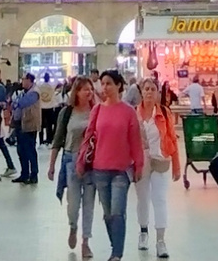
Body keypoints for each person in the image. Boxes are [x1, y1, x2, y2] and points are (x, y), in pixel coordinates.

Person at [78, 71, 146, 261]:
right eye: (102, 84)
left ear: (118, 86)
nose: (104, 88)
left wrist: (139, 164)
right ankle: (114, 245)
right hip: (100, 168)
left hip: (121, 170)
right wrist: (81, 161)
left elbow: (135, 141)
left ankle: (117, 254)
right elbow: (88, 137)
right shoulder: (97, 110)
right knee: (108, 214)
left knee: (117, 212)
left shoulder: (128, 111)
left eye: (108, 83)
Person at [132, 79, 180, 259]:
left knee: (159, 199)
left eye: (153, 89)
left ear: (158, 92)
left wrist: (176, 166)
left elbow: (173, 139)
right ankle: (143, 232)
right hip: (140, 162)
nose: (149, 92)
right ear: (141, 92)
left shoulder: (164, 113)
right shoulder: (134, 114)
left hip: (161, 160)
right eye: (146, 89)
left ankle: (161, 240)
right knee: (142, 199)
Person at [51, 76, 98, 257]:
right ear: (76, 92)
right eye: (84, 89)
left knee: (88, 204)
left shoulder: (96, 111)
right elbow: (58, 139)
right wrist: (52, 165)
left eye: (90, 89)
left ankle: (86, 240)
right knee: (73, 204)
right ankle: (73, 226)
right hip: (71, 160)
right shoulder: (67, 112)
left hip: (91, 163)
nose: (89, 92)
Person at [12, 75, 43, 184]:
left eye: (24, 80)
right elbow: (14, 104)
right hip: (20, 124)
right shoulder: (23, 92)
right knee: (21, 150)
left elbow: (21, 103)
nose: (22, 82)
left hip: (30, 125)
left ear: (30, 81)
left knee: (30, 150)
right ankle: (24, 174)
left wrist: (15, 102)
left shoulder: (34, 92)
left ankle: (34, 174)